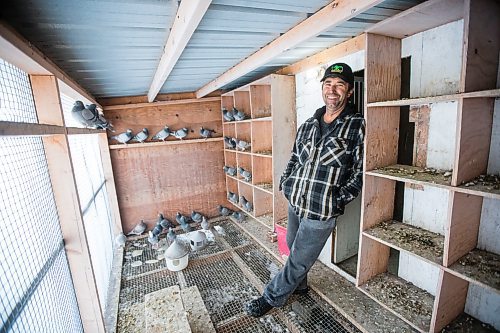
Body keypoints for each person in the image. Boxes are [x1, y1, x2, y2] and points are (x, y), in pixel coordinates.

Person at [244, 62, 365, 317]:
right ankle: (300, 287)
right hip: (296, 201)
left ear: (349, 91)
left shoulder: (357, 125)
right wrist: (286, 183)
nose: (332, 90)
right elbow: (295, 158)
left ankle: (271, 297)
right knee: (291, 244)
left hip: (321, 209)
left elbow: (360, 170)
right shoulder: (309, 124)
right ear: (323, 88)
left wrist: (337, 199)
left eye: (339, 85)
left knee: (298, 259)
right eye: (328, 84)